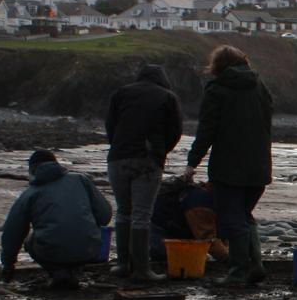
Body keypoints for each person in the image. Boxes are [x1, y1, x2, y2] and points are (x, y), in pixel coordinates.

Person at [184, 45, 273, 287]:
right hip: (260, 166)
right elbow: (267, 122)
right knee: (244, 216)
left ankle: (238, 271)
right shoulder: (260, 86)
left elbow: (206, 131)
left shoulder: (218, 90)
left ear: (217, 67)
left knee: (233, 219)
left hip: (229, 168)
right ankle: (255, 265)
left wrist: (192, 163)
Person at [104, 63, 183, 282]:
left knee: (123, 211)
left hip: (117, 158)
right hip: (148, 160)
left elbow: (110, 125)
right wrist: (160, 151)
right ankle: (142, 269)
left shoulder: (121, 93)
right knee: (142, 214)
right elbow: (175, 131)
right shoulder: (167, 97)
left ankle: (122, 264)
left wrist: (118, 146)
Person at [0, 149, 113, 290]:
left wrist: (8, 263)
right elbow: (105, 215)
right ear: (56, 163)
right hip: (90, 248)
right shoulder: (80, 179)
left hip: (51, 251)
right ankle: (74, 272)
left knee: (30, 241)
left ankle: (59, 273)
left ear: (32, 170)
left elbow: (13, 231)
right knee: (82, 233)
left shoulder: (30, 193)